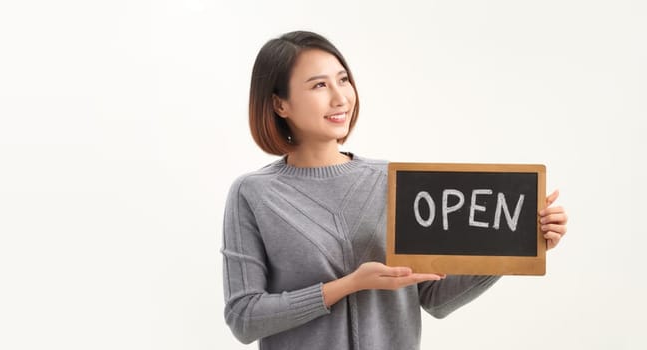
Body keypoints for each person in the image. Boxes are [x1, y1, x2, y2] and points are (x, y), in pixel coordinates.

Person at [221, 30, 569, 349]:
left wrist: (519, 243)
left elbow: (434, 297)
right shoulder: (253, 194)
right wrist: (350, 284)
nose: (341, 97)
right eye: (319, 86)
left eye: (343, 80)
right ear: (280, 104)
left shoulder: (394, 180)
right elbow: (244, 317)